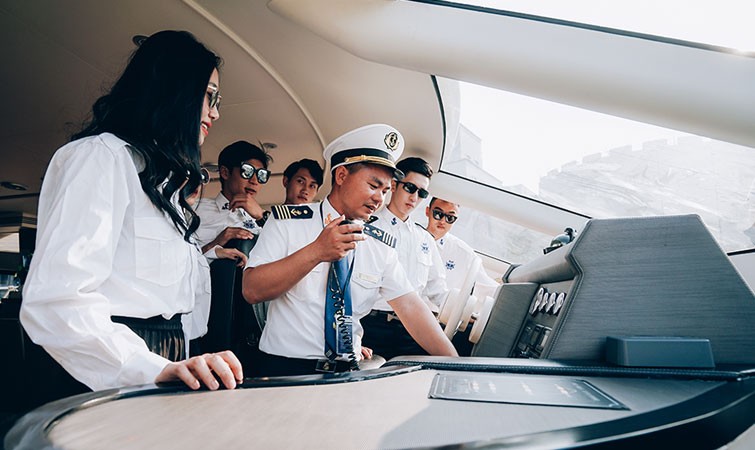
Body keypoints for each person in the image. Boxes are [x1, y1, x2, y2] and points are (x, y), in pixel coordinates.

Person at [20, 30, 243, 395]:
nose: (215, 112)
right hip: (108, 364)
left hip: (167, 356)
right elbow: (56, 299)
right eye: (209, 95)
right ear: (174, 89)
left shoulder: (164, 183)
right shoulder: (101, 157)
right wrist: (152, 367)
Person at [242, 123, 458, 377]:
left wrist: (458, 365)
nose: (380, 199)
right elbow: (252, 290)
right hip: (285, 368)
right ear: (342, 176)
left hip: (347, 374)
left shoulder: (379, 244)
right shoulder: (287, 222)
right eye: (373, 186)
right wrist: (316, 252)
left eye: (385, 191)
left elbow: (411, 308)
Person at [362, 157, 448, 360]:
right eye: (410, 188)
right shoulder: (368, 228)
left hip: (411, 328)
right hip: (372, 325)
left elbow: (438, 289)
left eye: (422, 193)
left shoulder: (424, 239)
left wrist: (468, 315)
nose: (414, 197)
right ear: (394, 185)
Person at [194, 141, 272, 255]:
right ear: (225, 173)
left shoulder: (263, 221)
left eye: (261, 175)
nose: (254, 181)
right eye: (247, 171)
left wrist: (262, 217)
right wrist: (216, 243)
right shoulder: (195, 209)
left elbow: (285, 253)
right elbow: (177, 260)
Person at [425, 197, 499, 303]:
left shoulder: (466, 254)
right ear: (427, 211)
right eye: (438, 214)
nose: (442, 221)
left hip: (440, 310)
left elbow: (489, 289)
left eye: (450, 217)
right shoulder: (412, 239)